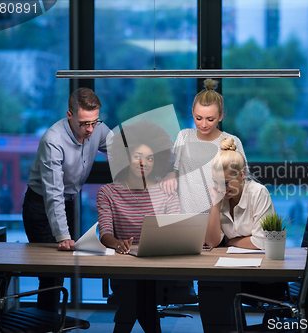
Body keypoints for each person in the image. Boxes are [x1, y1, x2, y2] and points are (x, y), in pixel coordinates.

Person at [22, 87, 110, 312]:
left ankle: (51, 321)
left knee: (63, 269)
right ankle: (46, 325)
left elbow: (122, 147)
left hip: (69, 202)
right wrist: (62, 235)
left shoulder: (96, 129)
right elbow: (53, 192)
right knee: (51, 275)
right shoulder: (53, 140)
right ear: (69, 115)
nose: (90, 129)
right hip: (40, 206)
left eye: (95, 122)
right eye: (84, 124)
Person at [97, 122, 180, 333]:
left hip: (160, 267)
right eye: (138, 156)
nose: (144, 162)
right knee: (140, 288)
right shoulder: (108, 192)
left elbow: (178, 228)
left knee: (140, 286)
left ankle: (121, 329)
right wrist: (118, 244)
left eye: (150, 158)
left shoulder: (165, 190)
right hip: (123, 268)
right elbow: (105, 234)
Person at [199, 137, 278, 333]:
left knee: (219, 288)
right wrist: (215, 203)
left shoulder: (259, 193)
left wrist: (231, 241)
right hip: (230, 270)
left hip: (261, 272)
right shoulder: (220, 195)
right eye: (216, 182)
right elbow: (211, 242)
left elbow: (263, 242)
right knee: (208, 284)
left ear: (242, 175)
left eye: (226, 182)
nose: (221, 188)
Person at [160, 78, 247, 214]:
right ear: (193, 112)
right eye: (198, 118)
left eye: (210, 119)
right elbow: (172, 169)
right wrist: (170, 175)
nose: (204, 124)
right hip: (186, 215)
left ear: (221, 116)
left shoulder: (232, 141)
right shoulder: (184, 136)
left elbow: (242, 181)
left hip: (220, 216)